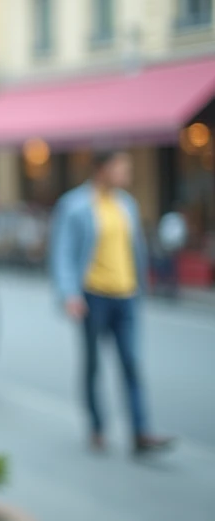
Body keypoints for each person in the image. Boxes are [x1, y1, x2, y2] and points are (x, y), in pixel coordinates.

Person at [49, 150, 174, 456]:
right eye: (120, 167)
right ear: (101, 169)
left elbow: (136, 251)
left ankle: (140, 432)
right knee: (93, 365)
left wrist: (145, 286)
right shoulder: (76, 205)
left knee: (131, 363)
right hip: (94, 296)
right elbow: (62, 253)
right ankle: (97, 426)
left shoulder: (126, 204)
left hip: (126, 296)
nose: (126, 173)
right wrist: (69, 294)